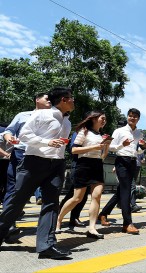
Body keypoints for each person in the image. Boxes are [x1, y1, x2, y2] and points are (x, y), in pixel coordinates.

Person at [0, 87, 74, 259]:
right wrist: (47, 142)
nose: (73, 101)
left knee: (51, 204)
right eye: (71, 98)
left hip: (57, 165)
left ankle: (46, 245)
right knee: (16, 202)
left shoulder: (67, 122)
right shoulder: (42, 114)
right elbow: (24, 135)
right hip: (34, 162)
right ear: (63, 100)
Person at [2, 93, 51, 237]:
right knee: (13, 190)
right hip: (20, 154)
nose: (49, 101)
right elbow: (8, 130)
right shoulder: (23, 115)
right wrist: (9, 137)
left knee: (33, 192)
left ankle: (47, 229)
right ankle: (8, 225)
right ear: (37, 99)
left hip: (42, 156)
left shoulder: (53, 118)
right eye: (46, 98)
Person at [56, 110, 110, 239]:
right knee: (77, 198)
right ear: (93, 119)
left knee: (97, 196)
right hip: (83, 165)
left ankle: (92, 228)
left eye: (105, 118)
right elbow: (74, 150)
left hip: (97, 165)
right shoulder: (84, 131)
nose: (104, 120)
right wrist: (94, 147)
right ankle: (58, 220)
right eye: (102, 118)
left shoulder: (101, 135)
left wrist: (106, 145)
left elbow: (103, 156)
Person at [98, 108, 146, 235]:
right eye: (130, 116)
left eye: (135, 116)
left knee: (122, 191)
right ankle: (127, 223)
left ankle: (103, 214)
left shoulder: (139, 134)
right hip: (121, 161)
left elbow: (138, 151)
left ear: (138, 119)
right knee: (126, 191)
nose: (132, 118)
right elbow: (111, 147)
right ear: (127, 117)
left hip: (132, 162)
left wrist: (143, 148)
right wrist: (122, 145)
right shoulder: (119, 131)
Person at [59, 130, 89, 230]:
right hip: (78, 165)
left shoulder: (98, 133)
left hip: (89, 167)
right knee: (72, 194)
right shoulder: (80, 132)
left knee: (83, 195)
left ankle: (74, 217)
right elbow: (73, 149)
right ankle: (58, 215)